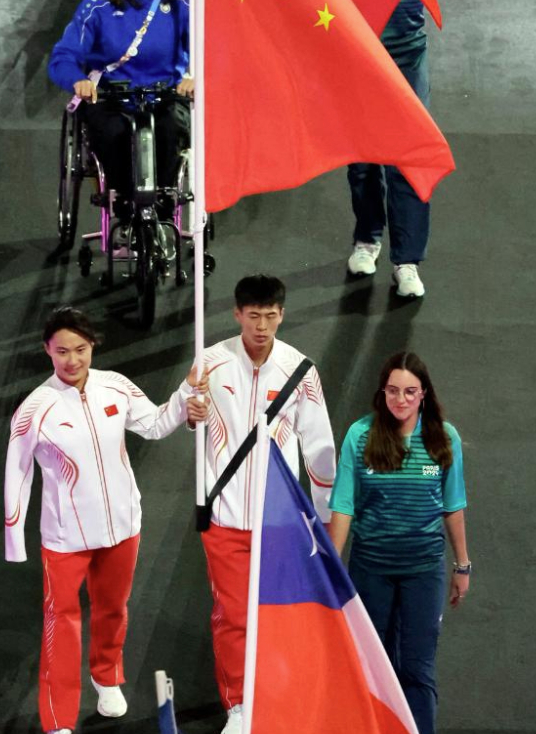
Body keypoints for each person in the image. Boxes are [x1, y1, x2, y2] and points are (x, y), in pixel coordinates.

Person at [4, 307, 207, 734]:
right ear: (47, 351)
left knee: (113, 609)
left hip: (122, 526)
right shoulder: (34, 409)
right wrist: (14, 539)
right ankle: (59, 720)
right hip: (64, 538)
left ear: (92, 345)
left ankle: (106, 676)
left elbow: (153, 424)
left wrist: (185, 397)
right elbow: (16, 474)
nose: (72, 360)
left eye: (80, 349)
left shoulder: (116, 387)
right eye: (62, 351)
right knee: (63, 623)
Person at [197, 275, 335, 734]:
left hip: (279, 523)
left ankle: (276, 697)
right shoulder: (210, 363)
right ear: (237, 314)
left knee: (280, 615)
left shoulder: (301, 370)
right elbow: (183, 414)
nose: (262, 326)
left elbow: (320, 451)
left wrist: (325, 521)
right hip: (225, 518)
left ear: (283, 313)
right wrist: (188, 408)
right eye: (253, 316)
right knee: (233, 616)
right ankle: (238, 707)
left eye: (271, 316)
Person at [346, 0, 478, 297]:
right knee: (362, 164)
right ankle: (367, 240)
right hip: (360, 72)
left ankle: (406, 263)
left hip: (406, 70)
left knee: (405, 162)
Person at [328, 351, 470, 734]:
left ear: (424, 393)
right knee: (376, 666)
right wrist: (330, 570)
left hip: (423, 571)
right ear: (382, 392)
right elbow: (343, 506)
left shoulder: (443, 437)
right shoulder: (361, 436)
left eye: (410, 392)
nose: (400, 400)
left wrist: (462, 565)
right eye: (393, 391)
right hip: (370, 570)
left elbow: (453, 506)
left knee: (417, 668)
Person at [48, 0, 193, 220]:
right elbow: (63, 56)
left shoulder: (180, 4)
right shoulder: (96, 6)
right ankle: (124, 205)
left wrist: (196, 78)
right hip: (112, 99)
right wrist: (77, 80)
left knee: (168, 132)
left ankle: (164, 210)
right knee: (113, 134)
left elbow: (210, 49)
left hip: (163, 96)